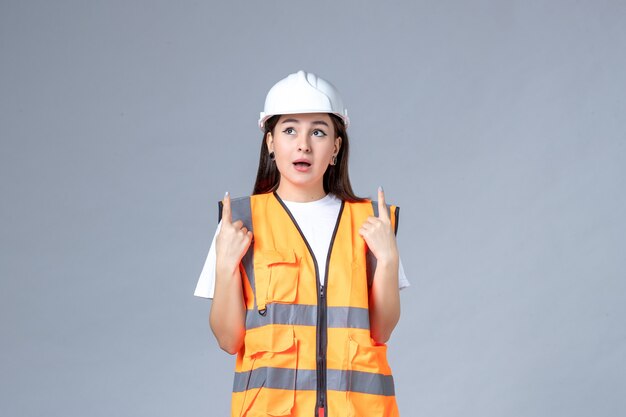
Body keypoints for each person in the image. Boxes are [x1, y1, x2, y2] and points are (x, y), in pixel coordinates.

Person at [194, 70, 409, 417]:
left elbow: (381, 330)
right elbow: (227, 340)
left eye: (318, 132)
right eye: (290, 129)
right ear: (270, 142)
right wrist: (225, 263)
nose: (303, 144)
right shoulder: (238, 223)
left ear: (336, 147)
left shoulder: (371, 223)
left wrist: (387, 259)